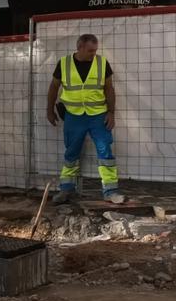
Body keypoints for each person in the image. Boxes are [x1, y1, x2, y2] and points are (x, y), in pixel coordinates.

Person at [46, 33, 123, 204]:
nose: (93, 54)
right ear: (79, 47)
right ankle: (66, 189)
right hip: (73, 115)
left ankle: (110, 191)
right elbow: (53, 87)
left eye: (95, 50)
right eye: (90, 50)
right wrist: (49, 110)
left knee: (105, 152)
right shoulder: (64, 63)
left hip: (98, 116)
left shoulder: (102, 63)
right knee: (71, 152)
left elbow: (109, 89)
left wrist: (111, 112)